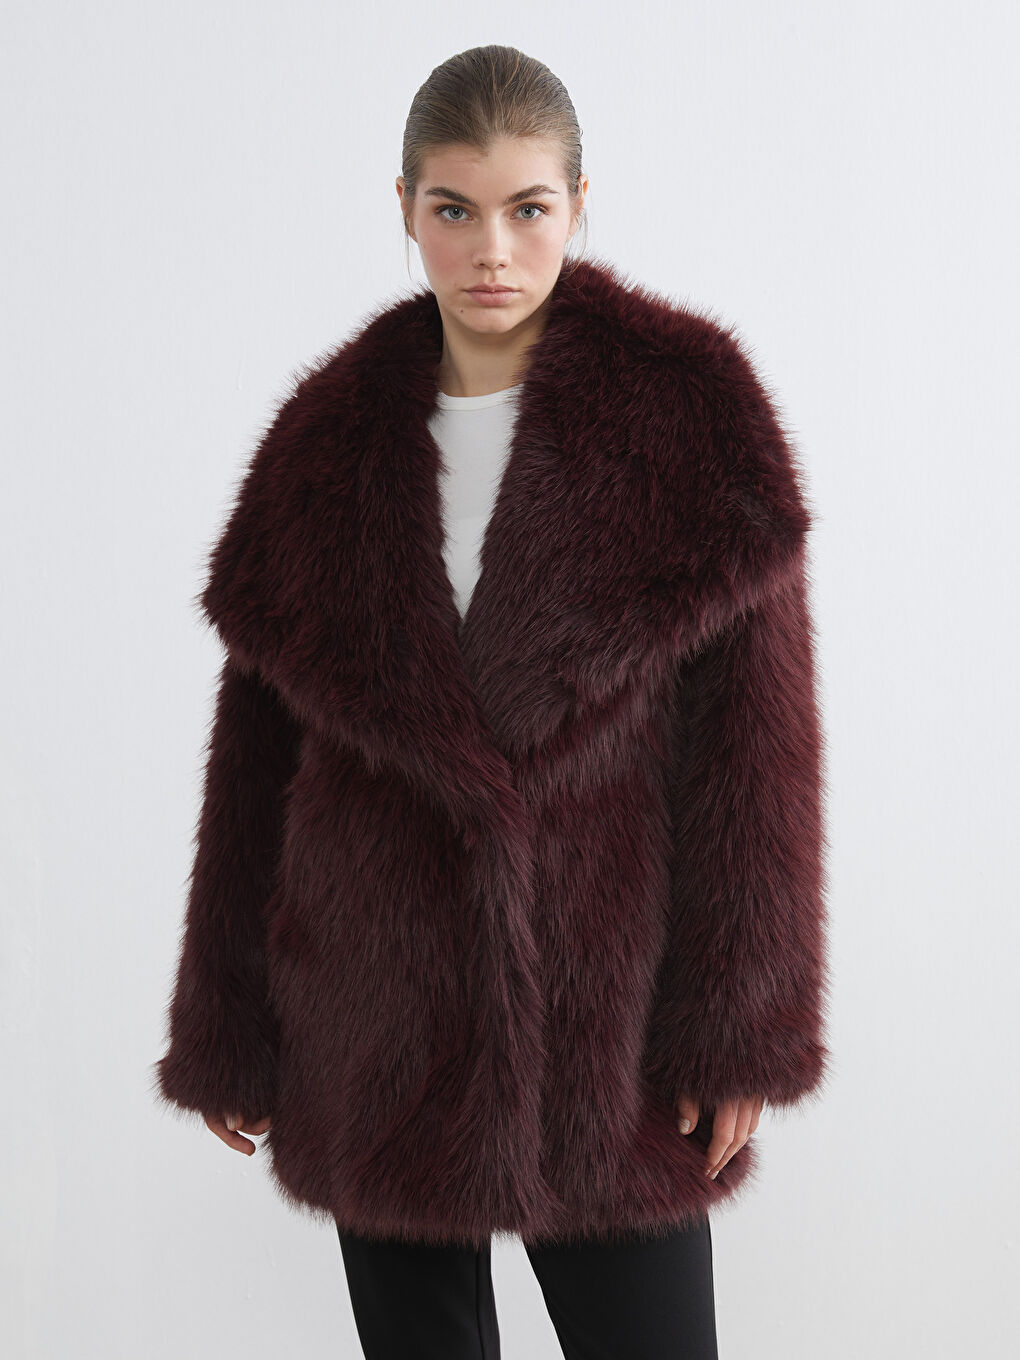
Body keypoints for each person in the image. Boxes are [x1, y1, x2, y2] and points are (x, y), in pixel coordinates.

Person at [153, 44, 831, 1360]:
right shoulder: (325, 444)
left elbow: (757, 762)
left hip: (605, 1023)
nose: (492, 251)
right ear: (405, 207)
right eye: (455, 209)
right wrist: (228, 1023)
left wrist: (738, 1028)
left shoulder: (691, 420)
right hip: (376, 1016)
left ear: (579, 206)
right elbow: (254, 763)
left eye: (527, 208)